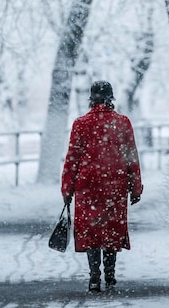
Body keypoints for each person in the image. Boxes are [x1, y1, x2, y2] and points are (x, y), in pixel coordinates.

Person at [61, 80, 143, 292]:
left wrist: (67, 189)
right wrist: (135, 187)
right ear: (111, 98)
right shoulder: (122, 122)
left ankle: (94, 276)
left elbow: (72, 158)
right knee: (110, 228)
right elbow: (131, 157)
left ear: (91, 99)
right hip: (114, 184)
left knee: (91, 229)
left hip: (87, 185)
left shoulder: (81, 124)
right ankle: (110, 274)